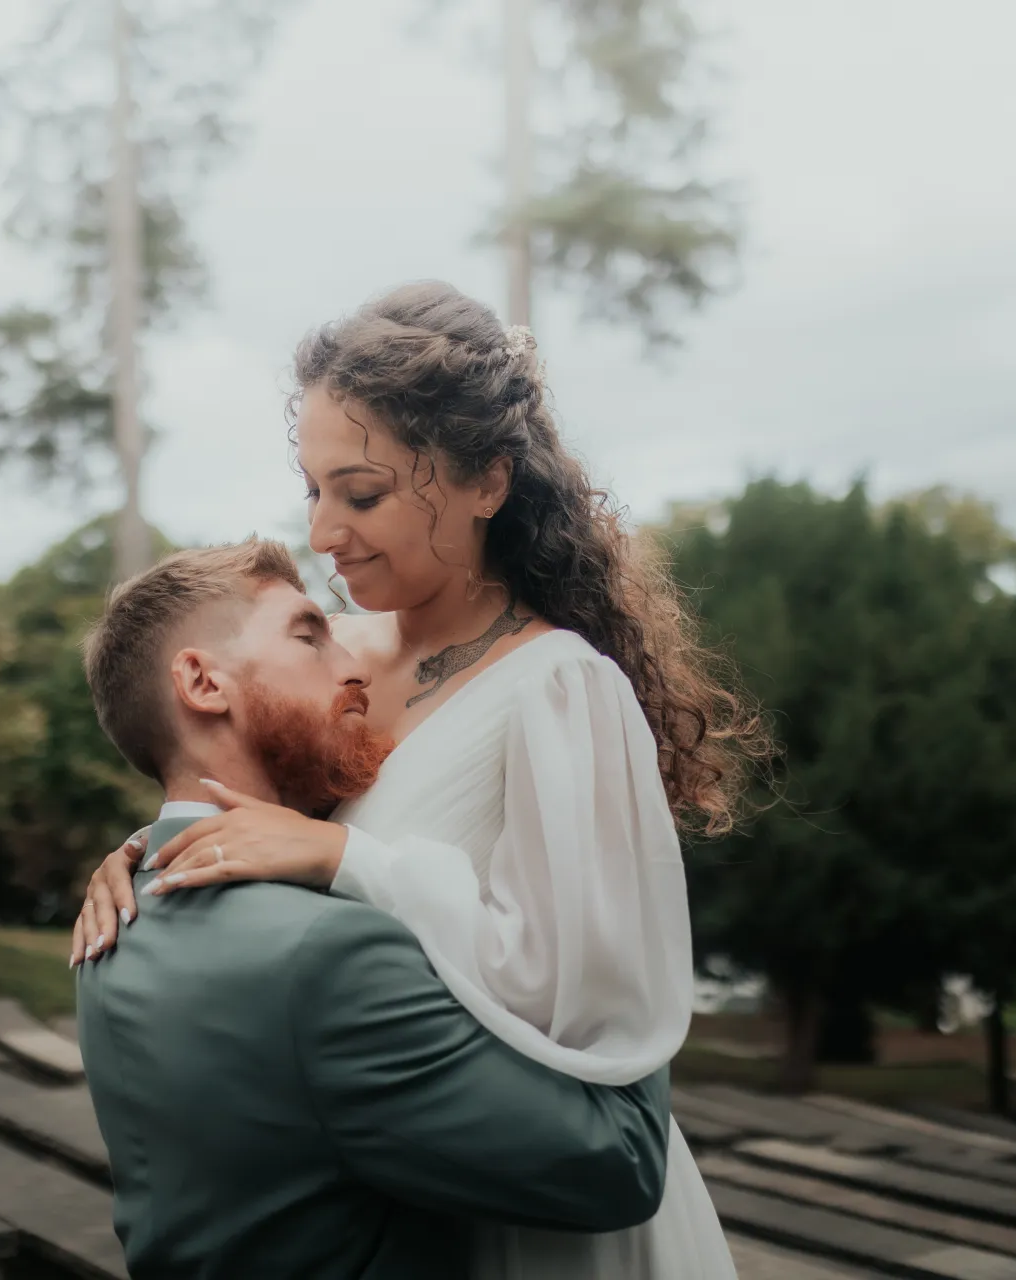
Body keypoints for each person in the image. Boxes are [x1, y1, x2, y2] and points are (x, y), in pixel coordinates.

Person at [76, 281, 771, 1279]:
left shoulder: (561, 690)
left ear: (487, 479)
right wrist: (149, 851)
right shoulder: (336, 653)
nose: (322, 531)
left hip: (546, 1201)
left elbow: (586, 997)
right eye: (312, 488)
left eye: (361, 494)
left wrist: (351, 856)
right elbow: (232, 779)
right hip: (395, 1185)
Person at [75, 539, 673, 1280]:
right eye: (308, 636)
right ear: (201, 681)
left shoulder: (112, 929)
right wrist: (623, 936)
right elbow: (622, 1165)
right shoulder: (334, 956)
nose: (356, 667)